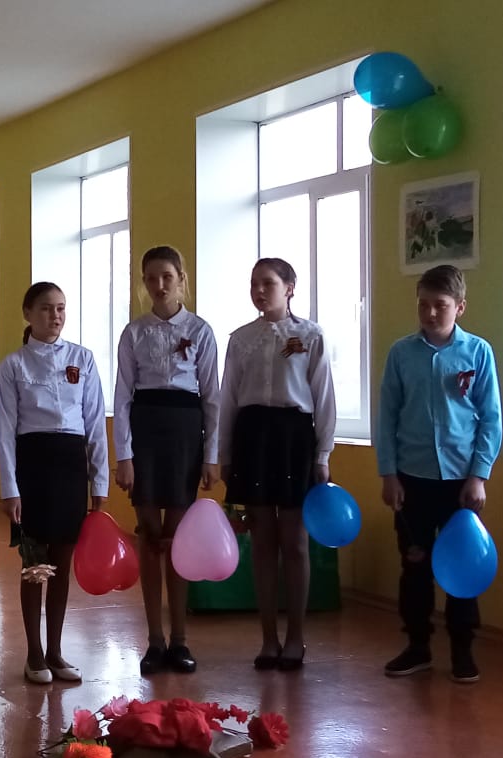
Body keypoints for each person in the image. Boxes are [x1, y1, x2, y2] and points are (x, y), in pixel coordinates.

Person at [377, 264, 501, 684]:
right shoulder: (401, 354)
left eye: (440, 305)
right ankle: (417, 647)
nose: (431, 313)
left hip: (460, 483)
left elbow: (491, 419)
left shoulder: (478, 352)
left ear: (459, 307)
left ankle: (463, 651)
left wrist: (479, 475)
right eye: (424, 305)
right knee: (415, 565)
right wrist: (388, 474)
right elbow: (387, 416)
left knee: (462, 570)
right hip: (411, 481)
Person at [219, 257, 335, 672]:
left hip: (294, 438)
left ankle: (296, 638)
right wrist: (224, 455)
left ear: (289, 287)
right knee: (263, 543)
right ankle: (268, 638)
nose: (258, 291)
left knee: (295, 542)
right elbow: (228, 399)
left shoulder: (311, 335)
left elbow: (323, 396)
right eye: (253, 283)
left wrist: (322, 455)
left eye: (267, 283)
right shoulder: (240, 339)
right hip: (253, 438)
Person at [112, 246, 219, 676]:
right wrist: (124, 454)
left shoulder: (200, 330)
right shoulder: (134, 332)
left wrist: (211, 456)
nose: (159, 285)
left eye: (167, 277)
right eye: (151, 278)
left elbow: (212, 398)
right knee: (150, 534)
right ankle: (154, 640)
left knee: (178, 537)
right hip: (145, 431)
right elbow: (122, 396)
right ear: (144, 282)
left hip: (184, 432)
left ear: (181, 280)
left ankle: (180, 639)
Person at [0, 282, 108, 685]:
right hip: (33, 464)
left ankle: (56, 651)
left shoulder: (83, 358)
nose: (55, 316)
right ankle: (33, 653)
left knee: (61, 563)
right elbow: (5, 430)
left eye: (61, 308)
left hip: (71, 464)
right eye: (46, 308)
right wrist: (10, 488)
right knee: (35, 563)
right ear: (28, 313)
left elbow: (95, 422)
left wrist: (100, 483)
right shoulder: (14, 365)